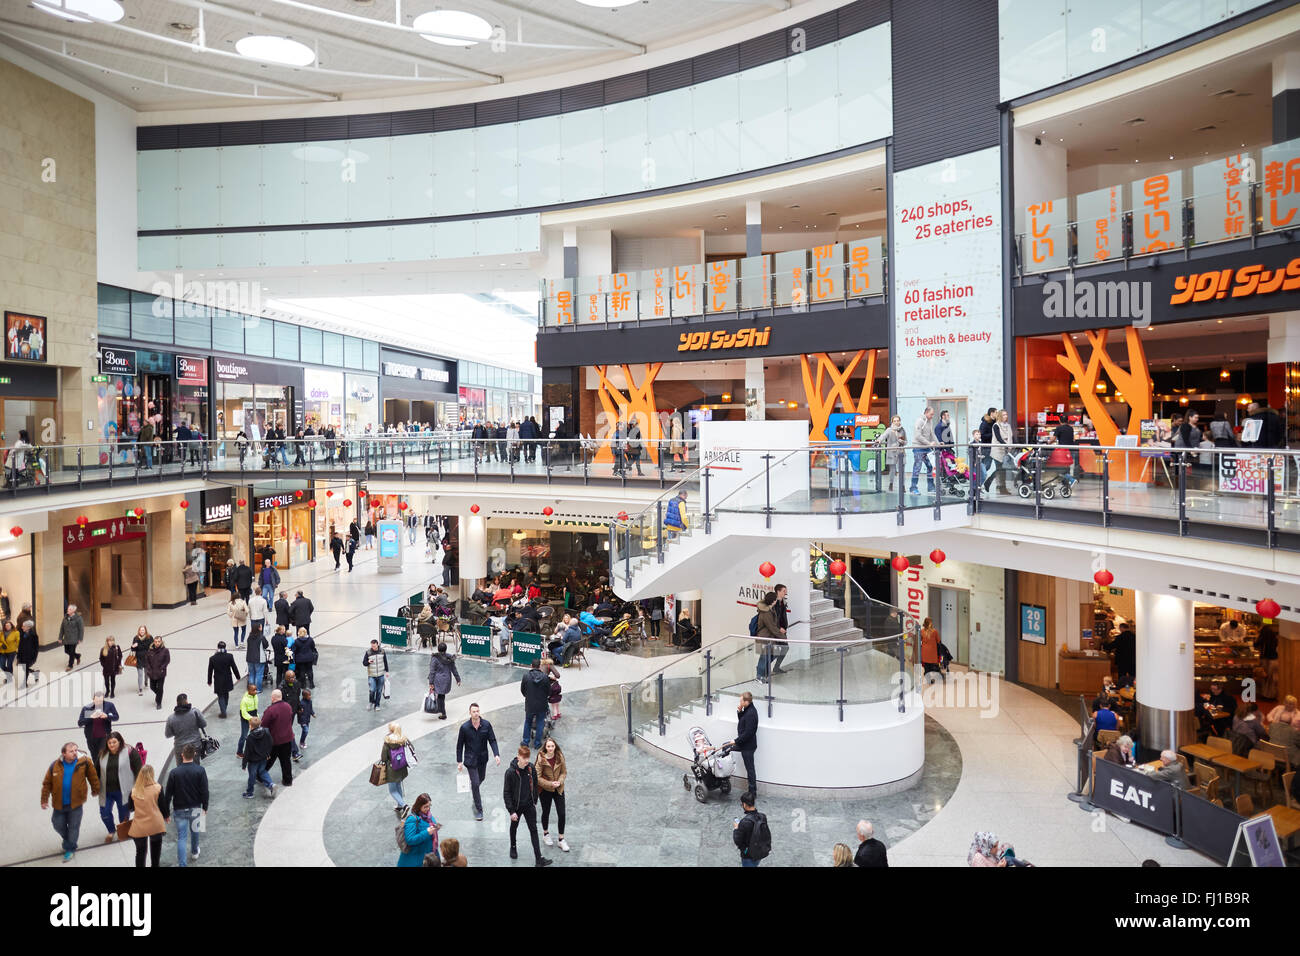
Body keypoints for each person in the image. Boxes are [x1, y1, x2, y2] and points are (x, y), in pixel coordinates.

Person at [41, 741, 100, 861]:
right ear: (63, 753)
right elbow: (47, 783)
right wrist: (44, 799)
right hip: (59, 803)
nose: (75, 753)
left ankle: (70, 848)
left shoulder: (84, 762)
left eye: (76, 750)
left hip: (76, 803)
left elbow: (93, 776)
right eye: (71, 751)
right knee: (57, 824)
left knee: (74, 827)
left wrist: (96, 789)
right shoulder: (55, 766)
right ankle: (68, 840)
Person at [161, 743, 209, 867]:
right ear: (194, 754)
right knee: (195, 831)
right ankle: (194, 852)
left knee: (182, 837)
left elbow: (168, 795)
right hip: (196, 807)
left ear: (182, 755)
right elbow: (204, 791)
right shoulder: (200, 770)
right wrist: (205, 807)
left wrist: (166, 813)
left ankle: (182, 864)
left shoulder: (174, 772)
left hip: (179, 809)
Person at [503, 744, 551, 867]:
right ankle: (513, 846)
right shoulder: (510, 772)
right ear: (518, 757)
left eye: (528, 758)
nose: (527, 761)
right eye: (524, 758)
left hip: (529, 805)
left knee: (534, 830)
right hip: (516, 806)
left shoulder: (531, 769)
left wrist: (534, 800)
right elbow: (506, 793)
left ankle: (538, 859)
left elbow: (535, 784)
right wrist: (511, 811)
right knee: (514, 827)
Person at [456, 702, 501, 821]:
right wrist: (459, 761)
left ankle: (475, 789)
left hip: (482, 758)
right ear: (470, 713)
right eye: (474, 711)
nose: (476, 713)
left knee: (481, 778)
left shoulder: (486, 725)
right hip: (470, 760)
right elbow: (460, 745)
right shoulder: (464, 727)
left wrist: (496, 754)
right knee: (475, 784)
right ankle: (479, 810)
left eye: (477, 711)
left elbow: (492, 740)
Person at [95, 732, 140, 843]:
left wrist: (138, 786)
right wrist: (94, 786)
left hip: (124, 790)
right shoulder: (102, 754)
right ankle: (111, 831)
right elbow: (95, 772)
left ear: (120, 741)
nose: (111, 745)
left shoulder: (130, 751)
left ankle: (123, 830)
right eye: (109, 742)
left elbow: (139, 769)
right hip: (106, 791)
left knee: (123, 813)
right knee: (104, 813)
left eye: (114, 742)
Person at [535, 736, 570, 852]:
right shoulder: (541, 758)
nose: (550, 748)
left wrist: (559, 782)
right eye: (548, 746)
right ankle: (545, 834)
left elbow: (564, 772)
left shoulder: (559, 756)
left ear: (555, 747)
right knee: (546, 811)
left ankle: (561, 839)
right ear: (545, 747)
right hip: (546, 789)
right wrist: (550, 784)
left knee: (562, 813)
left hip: (559, 788)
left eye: (552, 746)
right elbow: (537, 778)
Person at [128, 765, 165, 867]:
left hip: (139, 827)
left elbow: (130, 808)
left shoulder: (134, 791)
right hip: (155, 825)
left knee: (140, 853)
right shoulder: (158, 788)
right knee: (155, 854)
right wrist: (166, 816)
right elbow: (163, 807)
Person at [723, 690, 759, 797]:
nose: (740, 702)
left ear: (746, 701)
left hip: (747, 746)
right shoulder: (747, 709)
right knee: (725, 747)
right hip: (743, 743)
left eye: (741, 701)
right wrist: (739, 712)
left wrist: (736, 741)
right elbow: (742, 721)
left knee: (750, 769)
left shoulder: (751, 713)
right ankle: (723, 777)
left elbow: (748, 733)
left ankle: (752, 793)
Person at [380, 722, 416, 816]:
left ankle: (404, 805)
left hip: (392, 769)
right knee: (398, 785)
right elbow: (412, 748)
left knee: (392, 790)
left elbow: (384, 757)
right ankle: (400, 805)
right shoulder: (403, 739)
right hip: (402, 767)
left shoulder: (387, 741)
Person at [262, 689, 296, 786]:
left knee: (269, 760)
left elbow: (264, 725)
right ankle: (288, 780)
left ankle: (261, 776)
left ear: (273, 698)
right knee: (286, 761)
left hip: (274, 741)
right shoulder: (288, 706)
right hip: (287, 739)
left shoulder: (270, 710)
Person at [164, 693, 208, 766]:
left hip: (180, 748)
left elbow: (168, 734)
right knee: (195, 767)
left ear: (177, 703)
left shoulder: (171, 718)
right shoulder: (195, 712)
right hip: (195, 745)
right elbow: (204, 724)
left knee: (180, 769)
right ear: (186, 701)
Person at [398, 793, 440, 867]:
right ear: (419, 806)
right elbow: (410, 839)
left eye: (429, 806)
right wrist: (427, 832)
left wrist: (435, 828)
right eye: (425, 807)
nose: (428, 809)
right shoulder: (412, 819)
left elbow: (429, 826)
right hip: (416, 857)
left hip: (429, 851)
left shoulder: (428, 815)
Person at [77, 691, 119, 760]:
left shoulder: (109, 706)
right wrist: (91, 717)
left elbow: (116, 717)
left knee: (103, 757)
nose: (99, 703)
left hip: (104, 737)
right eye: (97, 701)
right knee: (95, 757)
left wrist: (107, 716)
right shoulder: (86, 708)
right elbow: (80, 723)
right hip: (91, 738)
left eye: (101, 701)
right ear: (93, 700)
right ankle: (97, 770)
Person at [732, 791, 770, 867]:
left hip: (748, 855)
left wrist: (736, 828)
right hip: (759, 852)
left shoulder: (744, 822)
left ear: (745, 804)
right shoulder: (762, 817)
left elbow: (737, 840)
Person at [241, 716, 275, 798]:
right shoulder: (266, 731)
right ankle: (271, 784)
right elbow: (271, 743)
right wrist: (267, 754)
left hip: (253, 760)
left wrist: (244, 764)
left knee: (252, 775)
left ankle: (249, 793)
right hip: (263, 758)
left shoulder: (250, 737)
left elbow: (247, 752)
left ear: (250, 726)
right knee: (262, 771)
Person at [207, 641, 242, 719]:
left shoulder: (213, 658)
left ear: (218, 647)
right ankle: (224, 708)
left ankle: (223, 712)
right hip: (227, 678)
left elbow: (210, 670)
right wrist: (238, 677)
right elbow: (234, 667)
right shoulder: (229, 656)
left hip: (218, 680)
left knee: (220, 696)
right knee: (226, 694)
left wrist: (209, 681)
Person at [427, 641, 461, 720]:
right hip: (447, 679)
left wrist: (431, 682)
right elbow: (454, 669)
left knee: (440, 696)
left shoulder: (435, 658)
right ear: (445, 649)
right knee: (442, 695)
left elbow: (432, 671)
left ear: (438, 649)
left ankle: (443, 713)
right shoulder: (450, 658)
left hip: (438, 680)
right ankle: (440, 709)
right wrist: (458, 679)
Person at [753, 592, 783, 682]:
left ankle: (761, 670)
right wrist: (782, 637)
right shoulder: (766, 612)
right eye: (775, 599)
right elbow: (772, 627)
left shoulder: (770, 609)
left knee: (773, 654)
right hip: (764, 638)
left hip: (769, 638)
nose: (776, 601)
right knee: (764, 657)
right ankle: (759, 676)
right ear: (773, 601)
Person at [277, 669, 305, 762]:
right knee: (289, 731)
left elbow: (297, 696)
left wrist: (299, 706)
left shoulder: (297, 684)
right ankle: (294, 752)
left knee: (286, 731)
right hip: (285, 714)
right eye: (290, 678)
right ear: (286, 678)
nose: (293, 679)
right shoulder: (281, 688)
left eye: (294, 677)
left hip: (293, 711)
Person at [983, 409, 1013, 494]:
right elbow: (998, 438)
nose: (1006, 416)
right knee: (1000, 469)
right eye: (1003, 415)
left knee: (1002, 469)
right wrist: (1006, 445)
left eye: (1006, 414)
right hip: (997, 450)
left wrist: (1011, 446)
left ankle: (998, 486)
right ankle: (1000, 487)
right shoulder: (996, 426)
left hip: (1006, 450)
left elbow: (1010, 437)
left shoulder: (1008, 425)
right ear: (1000, 416)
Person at [909, 406, 938, 494]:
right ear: (926, 412)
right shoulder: (919, 421)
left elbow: (932, 433)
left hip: (927, 448)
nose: (932, 416)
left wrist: (938, 443)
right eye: (931, 414)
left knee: (930, 466)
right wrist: (929, 443)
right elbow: (918, 436)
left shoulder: (930, 421)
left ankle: (931, 487)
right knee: (917, 467)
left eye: (933, 414)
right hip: (918, 448)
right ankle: (913, 488)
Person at [144, 635, 170, 710]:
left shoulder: (165, 650)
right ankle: (159, 695)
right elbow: (147, 661)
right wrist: (149, 669)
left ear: (161, 642)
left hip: (161, 673)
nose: (157, 643)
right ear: (154, 642)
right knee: (152, 687)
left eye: (159, 641)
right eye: (156, 642)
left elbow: (167, 660)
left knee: (160, 688)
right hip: (152, 673)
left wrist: (162, 668)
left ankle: (159, 703)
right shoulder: (150, 651)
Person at [1255, 624, 1280, 699]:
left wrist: (1258, 636)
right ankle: (1272, 695)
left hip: (1266, 660)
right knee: (1272, 679)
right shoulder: (1275, 639)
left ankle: (1266, 695)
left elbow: (1255, 644)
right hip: (1275, 660)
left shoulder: (1262, 638)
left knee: (1265, 678)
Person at [363, 639, 389, 711]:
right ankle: (371, 702)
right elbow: (364, 663)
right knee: (372, 690)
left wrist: (387, 671)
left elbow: (385, 661)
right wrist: (368, 661)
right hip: (372, 675)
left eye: (374, 646)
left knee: (379, 690)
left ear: (377, 644)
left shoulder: (382, 651)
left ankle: (377, 705)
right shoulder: (368, 652)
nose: (373, 648)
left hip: (380, 674)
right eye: (372, 646)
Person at [59, 603, 84, 671]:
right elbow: (62, 628)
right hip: (66, 639)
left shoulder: (78, 618)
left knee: (71, 652)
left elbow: (81, 629)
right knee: (67, 651)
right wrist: (60, 637)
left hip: (74, 639)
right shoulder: (65, 617)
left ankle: (70, 665)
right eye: (68, 609)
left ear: (73, 610)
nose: (68, 610)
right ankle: (77, 656)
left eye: (70, 609)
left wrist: (80, 638)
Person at [237, 683, 259, 758]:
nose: (256, 691)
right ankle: (239, 752)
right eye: (254, 690)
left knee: (255, 734)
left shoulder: (255, 696)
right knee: (244, 736)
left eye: (256, 689)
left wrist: (257, 717)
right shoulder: (244, 700)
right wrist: (251, 719)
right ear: (249, 691)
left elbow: (256, 708)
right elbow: (243, 713)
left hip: (253, 717)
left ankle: (254, 750)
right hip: (246, 719)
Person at [919, 617, 943, 684]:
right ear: (930, 623)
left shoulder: (922, 631)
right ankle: (938, 676)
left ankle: (928, 679)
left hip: (925, 652)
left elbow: (919, 640)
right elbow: (938, 641)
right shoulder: (934, 631)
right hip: (932, 653)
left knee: (926, 667)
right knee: (934, 666)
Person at [16, 618, 39, 687]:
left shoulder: (34, 635)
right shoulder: (22, 634)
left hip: (29, 655)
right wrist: (18, 655)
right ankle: (35, 673)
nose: (22, 627)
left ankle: (24, 683)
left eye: (24, 626)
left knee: (25, 668)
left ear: (28, 627)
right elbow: (20, 645)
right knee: (24, 668)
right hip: (22, 654)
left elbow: (36, 647)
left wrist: (34, 656)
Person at [129, 626, 151, 695]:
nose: (142, 631)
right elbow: (133, 649)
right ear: (139, 631)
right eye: (141, 630)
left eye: (143, 630)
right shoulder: (136, 638)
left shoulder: (149, 637)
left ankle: (146, 681)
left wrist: (138, 645)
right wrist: (132, 647)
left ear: (145, 631)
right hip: (139, 659)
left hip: (147, 658)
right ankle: (140, 689)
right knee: (140, 674)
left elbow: (149, 646)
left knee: (146, 672)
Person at [245, 624, 268, 690]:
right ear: (259, 628)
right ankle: (258, 689)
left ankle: (251, 689)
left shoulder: (249, 637)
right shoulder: (261, 637)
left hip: (249, 658)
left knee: (251, 673)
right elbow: (266, 645)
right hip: (259, 658)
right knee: (259, 674)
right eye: (260, 626)